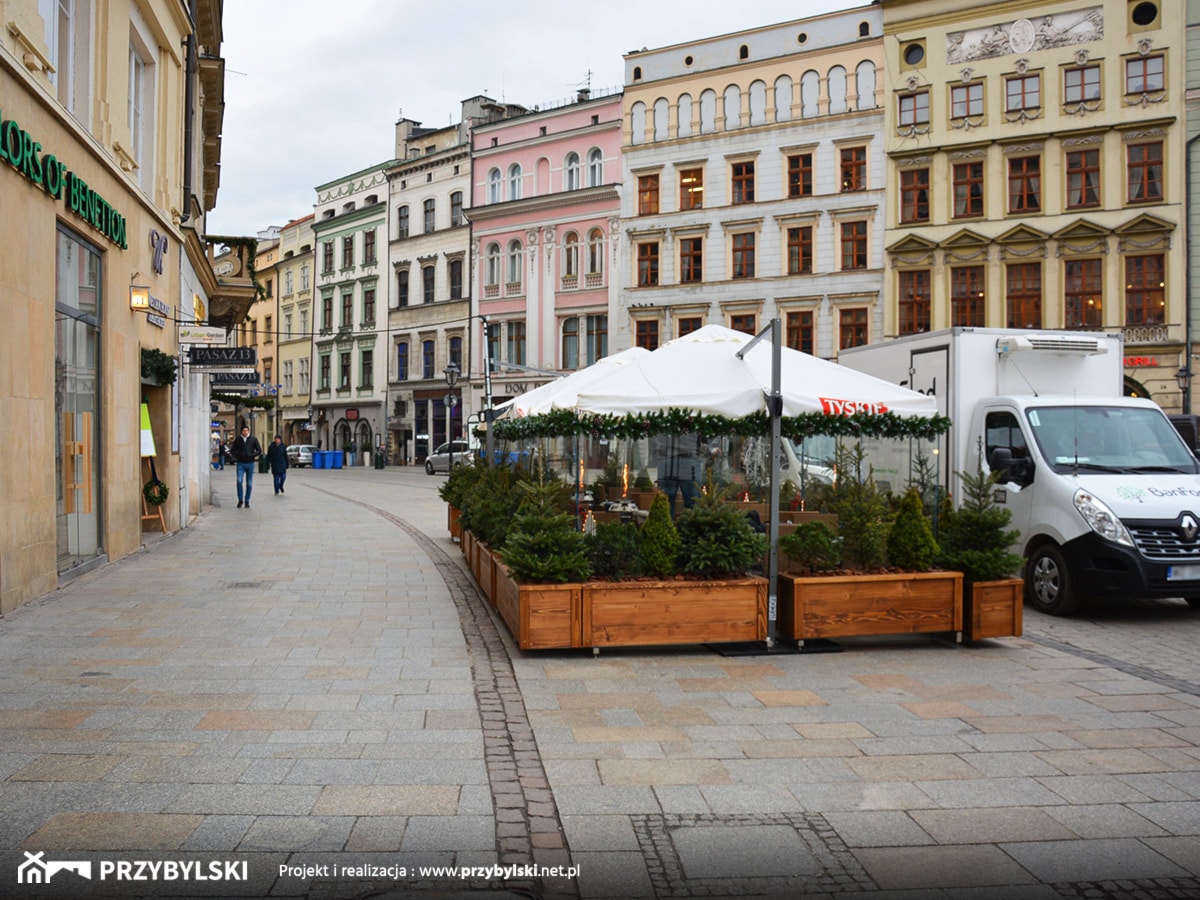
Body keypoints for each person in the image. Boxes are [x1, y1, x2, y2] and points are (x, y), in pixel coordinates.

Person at [654, 432, 706, 518]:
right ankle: (689, 527)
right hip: (682, 463)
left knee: (669, 501)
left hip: (676, 462)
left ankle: (674, 527)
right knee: (690, 501)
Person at [229, 425, 263, 508]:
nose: (245, 432)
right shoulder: (238, 440)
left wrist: (252, 455)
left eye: (247, 430)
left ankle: (247, 500)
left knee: (249, 483)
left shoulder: (253, 439)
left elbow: (259, 450)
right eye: (244, 430)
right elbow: (232, 450)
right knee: (239, 481)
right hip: (240, 463)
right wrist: (238, 455)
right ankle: (240, 499)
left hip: (250, 463)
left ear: (248, 431)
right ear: (241, 431)